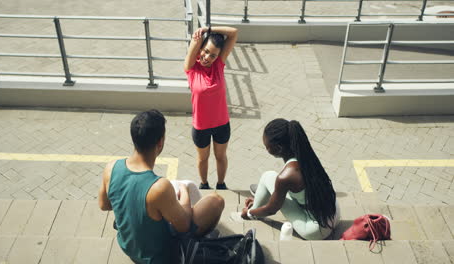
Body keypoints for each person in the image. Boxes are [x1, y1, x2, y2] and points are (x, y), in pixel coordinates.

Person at [98, 110, 225, 263]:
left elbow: (104, 205)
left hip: (130, 248)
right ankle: (187, 248)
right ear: (160, 142)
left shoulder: (111, 168)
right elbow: (183, 225)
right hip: (159, 257)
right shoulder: (159, 187)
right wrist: (184, 192)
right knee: (216, 201)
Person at [241, 118, 340, 240]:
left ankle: (253, 211)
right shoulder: (305, 156)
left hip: (317, 229)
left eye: (267, 146)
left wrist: (249, 213)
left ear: (278, 148)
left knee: (273, 186)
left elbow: (272, 210)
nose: (266, 149)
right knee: (269, 176)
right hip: (334, 213)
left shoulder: (286, 176)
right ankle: (258, 204)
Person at [184, 25, 238, 190]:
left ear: (218, 56)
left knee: (220, 157)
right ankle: (204, 184)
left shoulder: (219, 65)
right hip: (201, 126)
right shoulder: (192, 69)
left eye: (213, 55)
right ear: (200, 48)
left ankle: (221, 185)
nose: (207, 57)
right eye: (205, 51)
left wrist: (210, 27)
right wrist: (201, 33)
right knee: (203, 159)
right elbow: (194, 44)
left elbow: (234, 33)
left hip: (222, 124)